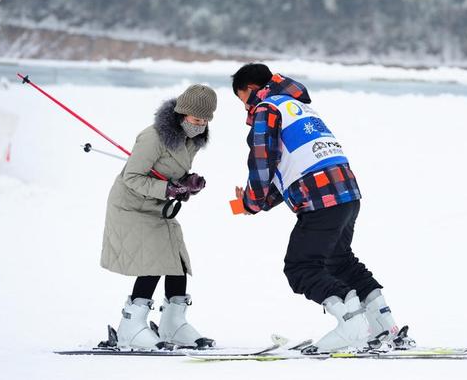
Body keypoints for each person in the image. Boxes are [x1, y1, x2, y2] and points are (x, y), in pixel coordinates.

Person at [231, 64, 413, 353]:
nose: (245, 109)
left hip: (320, 201)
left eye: (242, 100)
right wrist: (257, 204)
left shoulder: (266, 109)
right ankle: (385, 325)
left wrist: (251, 202)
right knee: (339, 261)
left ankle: (351, 326)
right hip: (347, 194)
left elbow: (263, 164)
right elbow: (294, 167)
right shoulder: (296, 106)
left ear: (251, 89)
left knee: (300, 266)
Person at [100, 84, 217, 349]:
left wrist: (188, 182)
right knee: (154, 260)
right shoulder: (153, 137)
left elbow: (171, 172)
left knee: (176, 259)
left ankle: (173, 324)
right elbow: (131, 177)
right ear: (182, 115)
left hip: (157, 206)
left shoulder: (192, 140)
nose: (200, 125)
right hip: (131, 206)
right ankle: (130, 326)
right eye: (196, 119)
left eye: (205, 120)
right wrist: (169, 189)